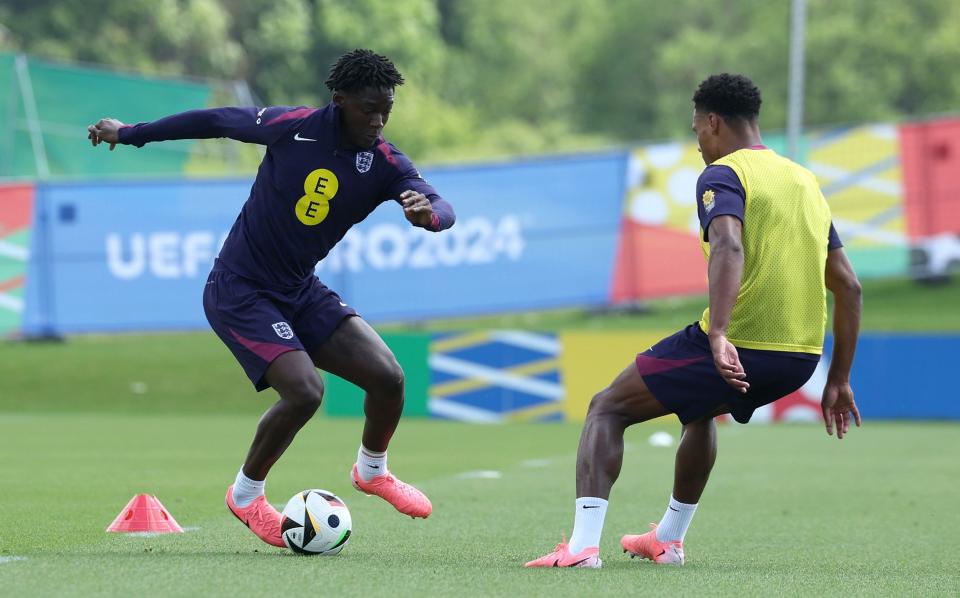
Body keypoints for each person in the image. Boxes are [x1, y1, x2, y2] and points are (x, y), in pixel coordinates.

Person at [87, 49, 454, 547]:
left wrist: (427, 214)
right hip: (239, 289)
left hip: (299, 289)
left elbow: (439, 203)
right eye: (370, 109)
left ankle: (372, 471)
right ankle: (246, 495)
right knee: (305, 391)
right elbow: (216, 119)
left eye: (387, 109)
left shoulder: (384, 161)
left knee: (388, 377)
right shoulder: (293, 126)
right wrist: (132, 133)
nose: (379, 120)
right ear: (339, 100)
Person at [525, 73, 862, 569]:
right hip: (799, 361)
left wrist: (720, 334)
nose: (698, 144)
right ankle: (668, 540)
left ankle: (580, 549)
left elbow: (728, 244)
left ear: (713, 122)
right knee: (698, 409)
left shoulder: (724, 174)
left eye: (697, 131)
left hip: (741, 344)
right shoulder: (806, 182)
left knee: (606, 408)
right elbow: (848, 285)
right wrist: (839, 379)